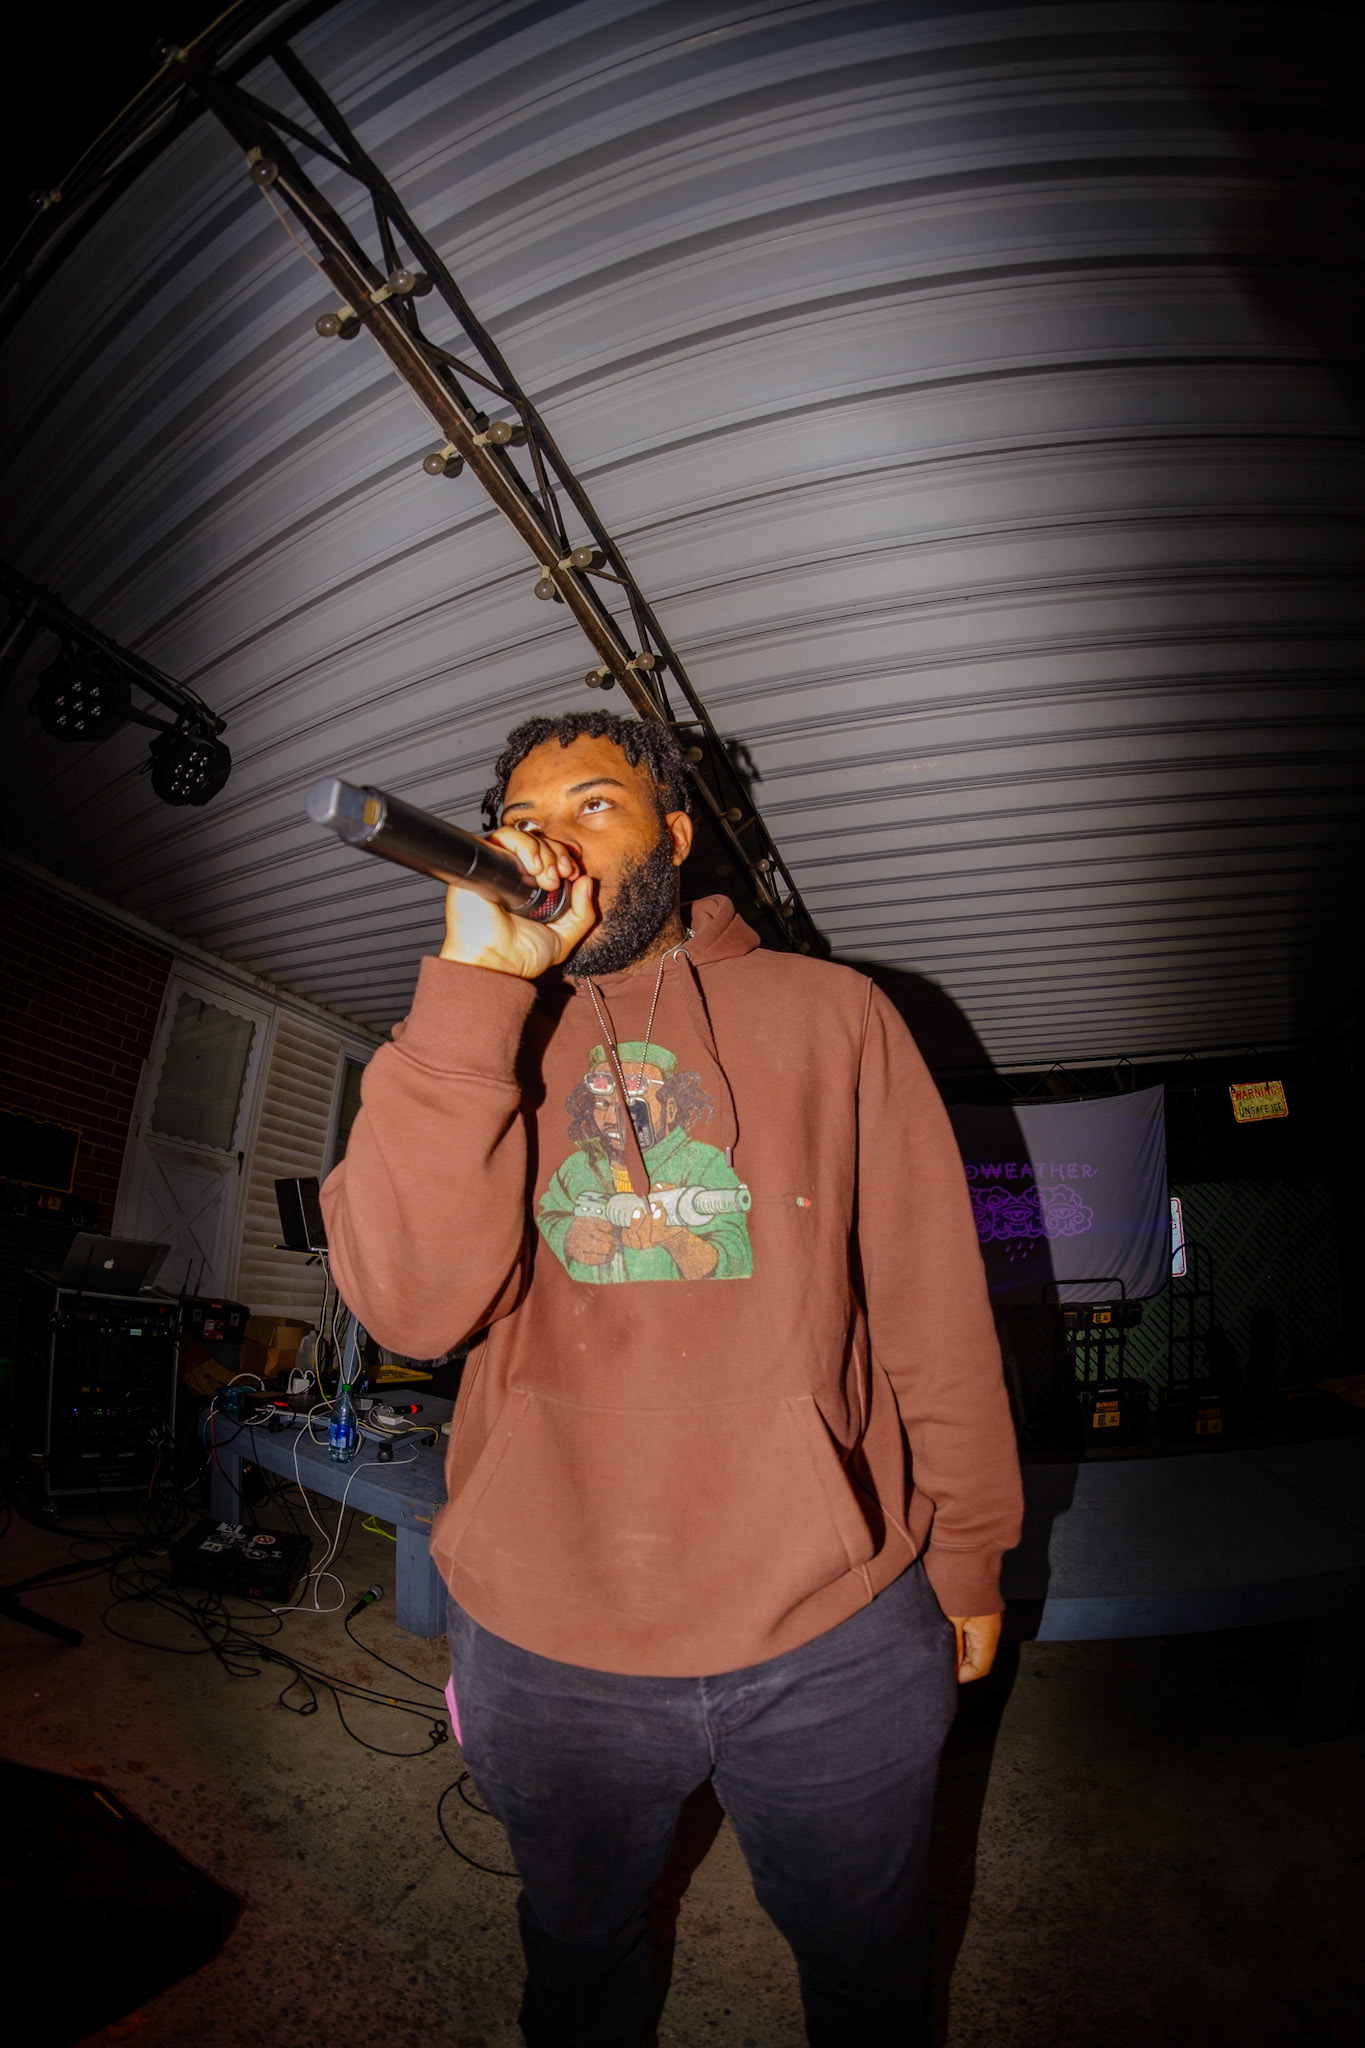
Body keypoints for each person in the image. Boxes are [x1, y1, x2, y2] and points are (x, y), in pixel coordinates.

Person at [320, 709, 1023, 2048]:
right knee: (578, 1958)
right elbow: (410, 1308)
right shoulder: (463, 1037)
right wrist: (473, 995)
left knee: (869, 1967)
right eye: (525, 821)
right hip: (545, 1638)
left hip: (833, 1625)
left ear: (676, 837)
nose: (552, 842)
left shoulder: (835, 1013)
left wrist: (971, 1549)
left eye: (593, 805)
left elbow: (931, 1307)